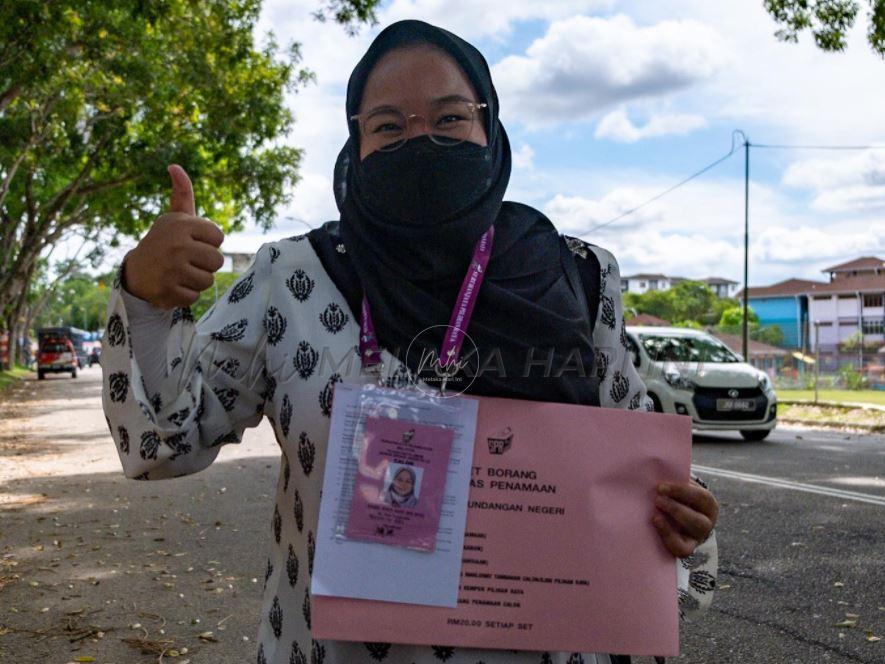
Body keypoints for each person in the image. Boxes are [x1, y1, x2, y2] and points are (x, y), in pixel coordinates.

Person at [101, 19, 719, 664]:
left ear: (491, 129)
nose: (420, 141)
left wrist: (682, 513)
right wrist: (146, 298)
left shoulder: (580, 276)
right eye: (390, 127)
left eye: (449, 119)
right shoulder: (292, 278)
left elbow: (632, 465)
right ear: (355, 144)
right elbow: (161, 445)